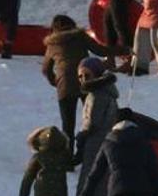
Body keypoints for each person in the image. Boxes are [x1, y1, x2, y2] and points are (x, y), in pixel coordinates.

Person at [41, 14, 108, 155]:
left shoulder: (53, 43)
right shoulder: (80, 36)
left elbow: (46, 69)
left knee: (67, 125)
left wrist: (55, 81)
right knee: (91, 119)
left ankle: (68, 156)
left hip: (64, 86)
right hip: (86, 82)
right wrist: (123, 50)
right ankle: (89, 152)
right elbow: (100, 50)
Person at [74, 57, 118, 196]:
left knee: (90, 186)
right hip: (108, 142)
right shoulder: (108, 91)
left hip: (95, 145)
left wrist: (81, 137)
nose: (84, 80)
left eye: (87, 75)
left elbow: (92, 122)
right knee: (107, 185)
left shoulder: (96, 94)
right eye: (81, 76)